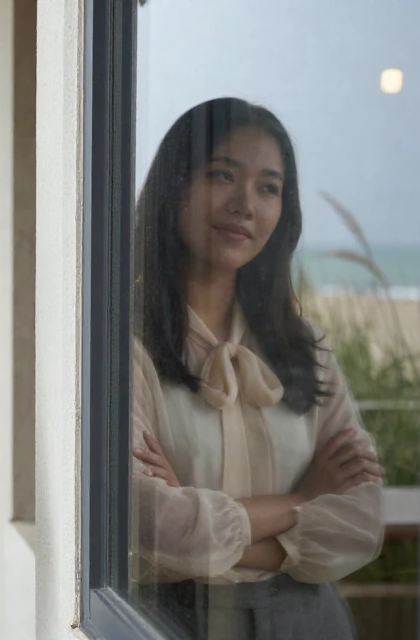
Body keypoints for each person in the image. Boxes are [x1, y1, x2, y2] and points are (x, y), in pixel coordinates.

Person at [129, 97, 385, 640]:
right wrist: (305, 498)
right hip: (172, 620)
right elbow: (148, 522)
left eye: (269, 187)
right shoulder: (126, 345)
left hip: (311, 621)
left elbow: (362, 523)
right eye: (224, 175)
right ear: (174, 186)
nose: (246, 203)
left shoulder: (304, 344)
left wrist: (207, 531)